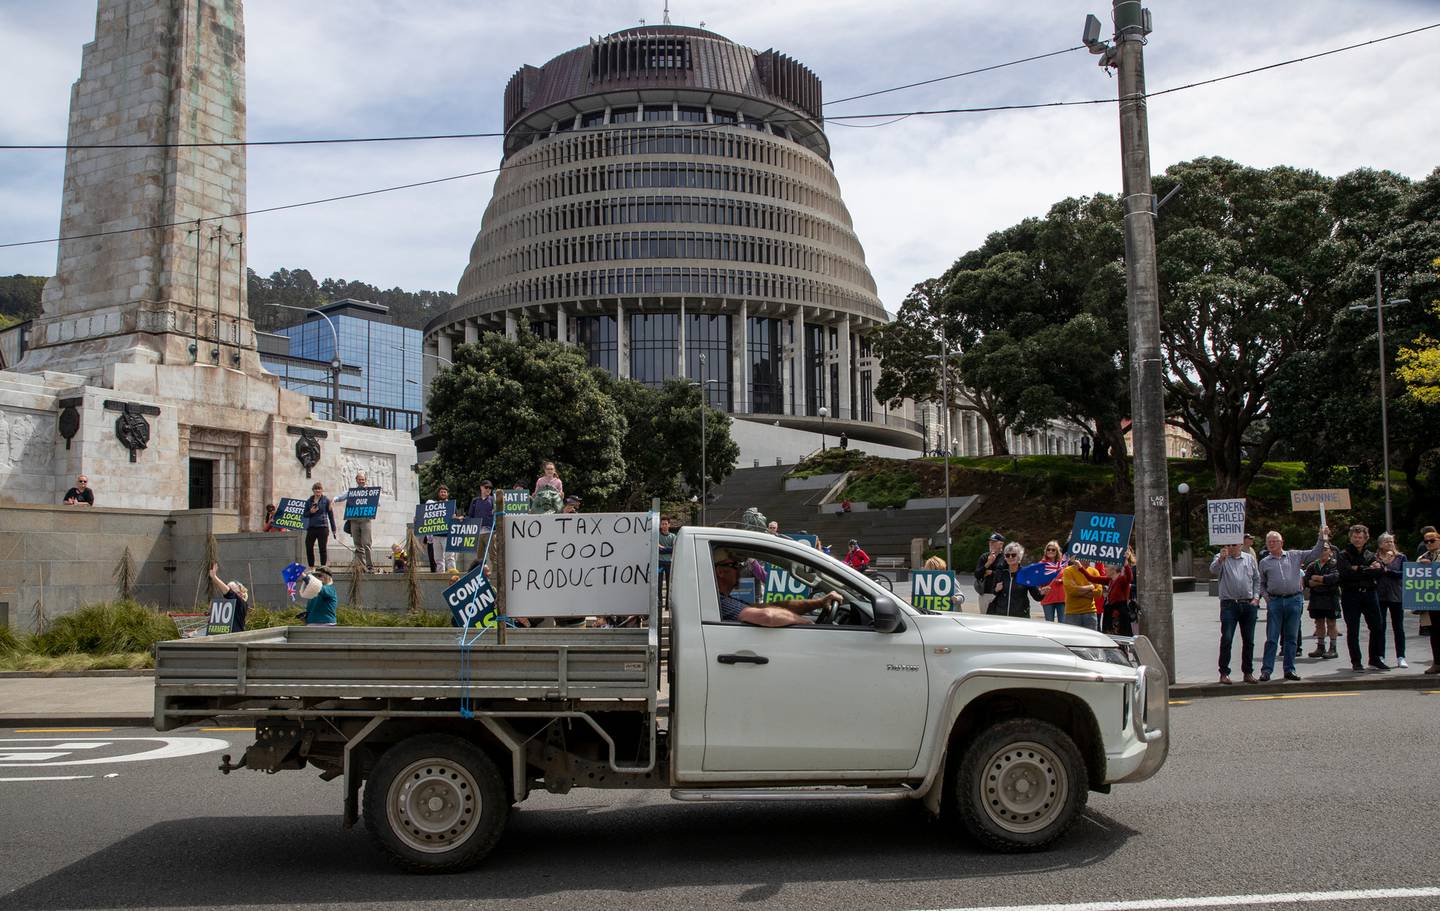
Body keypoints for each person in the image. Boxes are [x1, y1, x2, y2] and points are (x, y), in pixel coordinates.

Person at [1257, 528, 1327, 682]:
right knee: (1272, 638)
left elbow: (1315, 553)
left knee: (1291, 637)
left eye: (1274, 541)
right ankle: (1266, 670)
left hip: (1293, 600)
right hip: (1275, 601)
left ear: (1282, 542)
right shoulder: (1264, 562)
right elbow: (1260, 583)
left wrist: (1321, 538)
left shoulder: (1295, 555)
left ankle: (1289, 669)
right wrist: (1267, 597)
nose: (1271, 543)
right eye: (1269, 541)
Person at [712, 546, 839, 627]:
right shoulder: (720, 603)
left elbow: (774, 607)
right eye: (735, 566)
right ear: (720, 572)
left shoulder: (727, 600)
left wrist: (818, 603)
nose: (740, 569)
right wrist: (806, 623)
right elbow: (767, 616)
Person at [1336, 524, 1387, 671]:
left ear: (1366, 539)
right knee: (1353, 630)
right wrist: (1367, 569)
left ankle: (1375, 658)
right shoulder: (1343, 554)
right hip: (1351, 595)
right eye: (1355, 537)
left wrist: (1358, 568)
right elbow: (1345, 573)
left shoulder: (1370, 555)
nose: (1358, 540)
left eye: (1360, 537)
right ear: (1350, 538)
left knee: (1377, 626)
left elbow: (1380, 571)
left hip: (1370, 593)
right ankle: (1356, 661)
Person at [1211, 540, 1261, 684]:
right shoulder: (1221, 558)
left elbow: (1257, 579)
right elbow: (1213, 569)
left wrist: (1256, 598)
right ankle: (1224, 672)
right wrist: (1221, 559)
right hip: (1229, 604)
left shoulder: (1249, 558)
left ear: (1240, 545)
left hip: (1248, 603)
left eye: (1234, 544)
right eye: (1228, 545)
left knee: (1249, 640)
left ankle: (1248, 672)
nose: (1231, 547)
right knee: (1227, 638)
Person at [1375, 532, 1408, 668]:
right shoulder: (1375, 557)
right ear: (1380, 544)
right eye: (1387, 541)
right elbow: (1373, 572)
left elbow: (1404, 573)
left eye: (1391, 541)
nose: (1390, 544)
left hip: (1396, 595)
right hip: (1380, 595)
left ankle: (1401, 656)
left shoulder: (1401, 557)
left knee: (1398, 627)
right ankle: (1380, 655)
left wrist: (1388, 571)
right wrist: (1383, 564)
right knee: (1380, 627)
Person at [1305, 544, 1341, 658]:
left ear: (1330, 551)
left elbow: (1334, 579)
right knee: (1319, 623)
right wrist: (1324, 581)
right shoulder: (1312, 565)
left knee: (1331, 623)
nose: (1322, 552)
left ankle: (1333, 648)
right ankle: (1320, 647)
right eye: (1321, 549)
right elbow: (1307, 582)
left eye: (1325, 549)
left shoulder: (1335, 564)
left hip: (1331, 597)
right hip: (1316, 598)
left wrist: (1317, 579)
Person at [335, 471, 375, 572]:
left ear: (365, 480)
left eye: (363, 479)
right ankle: (362, 566)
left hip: (366, 520)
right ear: (356, 480)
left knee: (367, 544)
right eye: (359, 479)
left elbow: (377, 503)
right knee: (357, 544)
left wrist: (369, 494)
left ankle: (370, 566)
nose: (361, 481)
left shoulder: (370, 491)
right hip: (354, 521)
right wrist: (334, 499)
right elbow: (341, 497)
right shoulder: (352, 492)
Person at [990, 543, 1044, 618]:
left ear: (1019, 557)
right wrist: (996, 589)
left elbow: (1037, 597)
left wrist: (1042, 592)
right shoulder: (1000, 573)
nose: (1010, 557)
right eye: (1007, 555)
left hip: (1020, 617)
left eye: (1013, 555)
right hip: (1001, 615)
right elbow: (993, 591)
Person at [1415, 526, 1440, 674]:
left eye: (1432, 540)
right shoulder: (1422, 557)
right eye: (1426, 541)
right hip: (1430, 601)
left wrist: (1433, 566)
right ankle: (1437, 662)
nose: (1429, 544)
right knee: (1434, 632)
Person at [1060, 557, 1104, 630]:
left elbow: (1098, 593)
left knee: (1091, 640)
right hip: (1072, 613)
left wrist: (1078, 589)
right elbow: (1071, 591)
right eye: (1086, 558)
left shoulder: (1094, 571)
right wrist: (1090, 587)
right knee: (1073, 640)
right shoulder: (1068, 571)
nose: (1089, 560)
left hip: (1090, 612)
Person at [425, 484, 461, 573]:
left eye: (445, 492)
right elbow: (427, 517)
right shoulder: (434, 506)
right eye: (441, 492)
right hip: (436, 536)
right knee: (438, 558)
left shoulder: (452, 505)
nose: (443, 493)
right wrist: (417, 519)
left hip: (448, 535)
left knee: (450, 556)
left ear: (447, 494)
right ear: (439, 494)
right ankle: (441, 575)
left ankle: (452, 574)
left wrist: (457, 518)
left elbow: (455, 517)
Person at [206, 562, 249, 633]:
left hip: (235, 639)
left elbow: (229, 593)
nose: (227, 590)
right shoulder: (224, 606)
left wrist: (214, 578)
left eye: (232, 590)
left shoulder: (242, 604)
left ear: (240, 593)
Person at [1104, 547, 1137, 636]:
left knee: (1123, 633)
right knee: (1114, 634)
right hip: (1112, 611)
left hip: (1123, 608)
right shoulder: (1112, 579)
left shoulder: (1125, 575)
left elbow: (1130, 578)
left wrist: (1126, 563)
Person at [303, 482, 337, 568]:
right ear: (313, 490)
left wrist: (333, 528)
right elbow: (304, 515)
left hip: (323, 527)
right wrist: (310, 512)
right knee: (308, 546)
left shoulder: (326, 500)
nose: (318, 491)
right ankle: (311, 567)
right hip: (312, 527)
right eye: (316, 489)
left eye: (319, 489)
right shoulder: (309, 501)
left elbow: (331, 515)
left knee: (322, 548)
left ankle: (323, 567)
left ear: (322, 490)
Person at [974, 533, 1006, 613]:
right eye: (990, 542)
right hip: (985, 593)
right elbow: (977, 575)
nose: (991, 544)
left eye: (994, 542)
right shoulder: (984, 557)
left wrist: (992, 572)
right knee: (985, 619)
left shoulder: (1006, 557)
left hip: (1001, 594)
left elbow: (1007, 575)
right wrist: (988, 563)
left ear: (1001, 544)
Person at [1038, 540, 1067, 622]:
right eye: (1048, 549)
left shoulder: (1063, 564)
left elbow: (1068, 577)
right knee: (1049, 623)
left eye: (1053, 550)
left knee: (1063, 623)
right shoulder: (1041, 564)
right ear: (1046, 551)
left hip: (1061, 598)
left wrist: (1062, 580)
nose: (1050, 551)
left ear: (1057, 551)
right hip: (1048, 597)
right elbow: (1037, 580)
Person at [658, 516, 677, 603]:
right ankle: (659, 602)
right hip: (659, 563)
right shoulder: (657, 536)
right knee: (659, 584)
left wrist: (663, 548)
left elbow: (675, 549)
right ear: (660, 525)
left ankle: (667, 605)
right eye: (663, 524)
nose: (664, 525)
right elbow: (658, 550)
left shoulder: (673, 536)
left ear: (669, 525)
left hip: (670, 563)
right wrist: (668, 549)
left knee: (670, 585)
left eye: (666, 524)